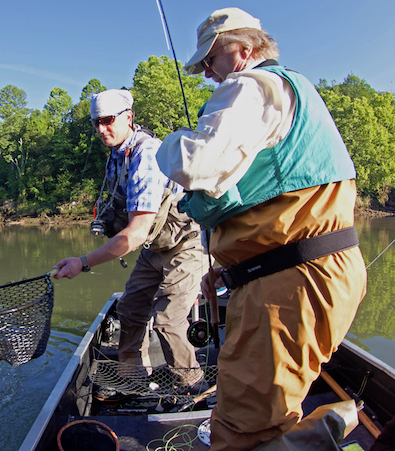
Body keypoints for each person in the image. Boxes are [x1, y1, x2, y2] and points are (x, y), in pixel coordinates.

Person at [156, 7, 367, 451]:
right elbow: (269, 199)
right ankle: (333, 424)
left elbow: (196, 163)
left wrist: (168, 142)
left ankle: (333, 425)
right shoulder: (295, 91)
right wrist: (230, 269)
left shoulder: (251, 85)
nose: (209, 75)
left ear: (243, 50)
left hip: (290, 284)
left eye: (210, 61)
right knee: (269, 413)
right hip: (317, 274)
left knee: (240, 434)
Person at [53, 89, 206, 393]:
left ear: (129, 118)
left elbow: (136, 233)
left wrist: (82, 263)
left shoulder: (147, 154)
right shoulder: (117, 153)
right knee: (130, 309)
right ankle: (132, 377)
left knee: (167, 321)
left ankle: (192, 387)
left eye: (108, 120)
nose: (101, 129)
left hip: (185, 245)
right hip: (156, 246)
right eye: (96, 122)